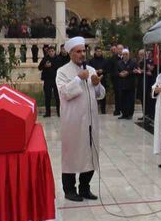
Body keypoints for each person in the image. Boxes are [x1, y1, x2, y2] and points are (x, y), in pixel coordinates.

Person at [55, 36, 105, 202]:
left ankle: (85, 188)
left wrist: (97, 84)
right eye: (78, 51)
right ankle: (69, 190)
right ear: (70, 53)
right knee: (72, 155)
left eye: (84, 50)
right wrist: (78, 78)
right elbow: (64, 93)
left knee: (89, 155)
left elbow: (99, 94)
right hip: (73, 123)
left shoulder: (90, 69)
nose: (82, 54)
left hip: (90, 122)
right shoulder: (62, 71)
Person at [38, 45, 62, 117]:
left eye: (52, 51)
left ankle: (59, 112)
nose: (51, 53)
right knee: (47, 97)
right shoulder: (45, 59)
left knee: (57, 97)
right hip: (47, 80)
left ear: (54, 52)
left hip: (56, 80)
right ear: (48, 52)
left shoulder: (58, 59)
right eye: (50, 51)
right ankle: (48, 113)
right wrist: (45, 66)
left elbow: (61, 69)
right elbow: (39, 67)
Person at [116, 48, 139, 120]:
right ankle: (124, 114)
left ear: (129, 55)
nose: (125, 56)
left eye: (126, 54)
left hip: (130, 84)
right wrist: (119, 74)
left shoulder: (133, 62)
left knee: (130, 100)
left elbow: (136, 71)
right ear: (122, 55)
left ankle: (130, 114)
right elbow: (116, 71)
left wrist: (128, 73)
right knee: (122, 99)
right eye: (124, 54)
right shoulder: (119, 63)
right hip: (122, 84)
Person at [88, 45, 109, 114]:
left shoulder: (105, 61)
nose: (99, 53)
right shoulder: (91, 61)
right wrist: (95, 71)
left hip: (102, 80)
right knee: (93, 95)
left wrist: (102, 71)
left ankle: (103, 110)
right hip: (93, 81)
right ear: (95, 52)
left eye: (100, 51)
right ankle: (94, 110)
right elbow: (89, 69)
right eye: (97, 51)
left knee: (103, 95)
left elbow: (107, 70)